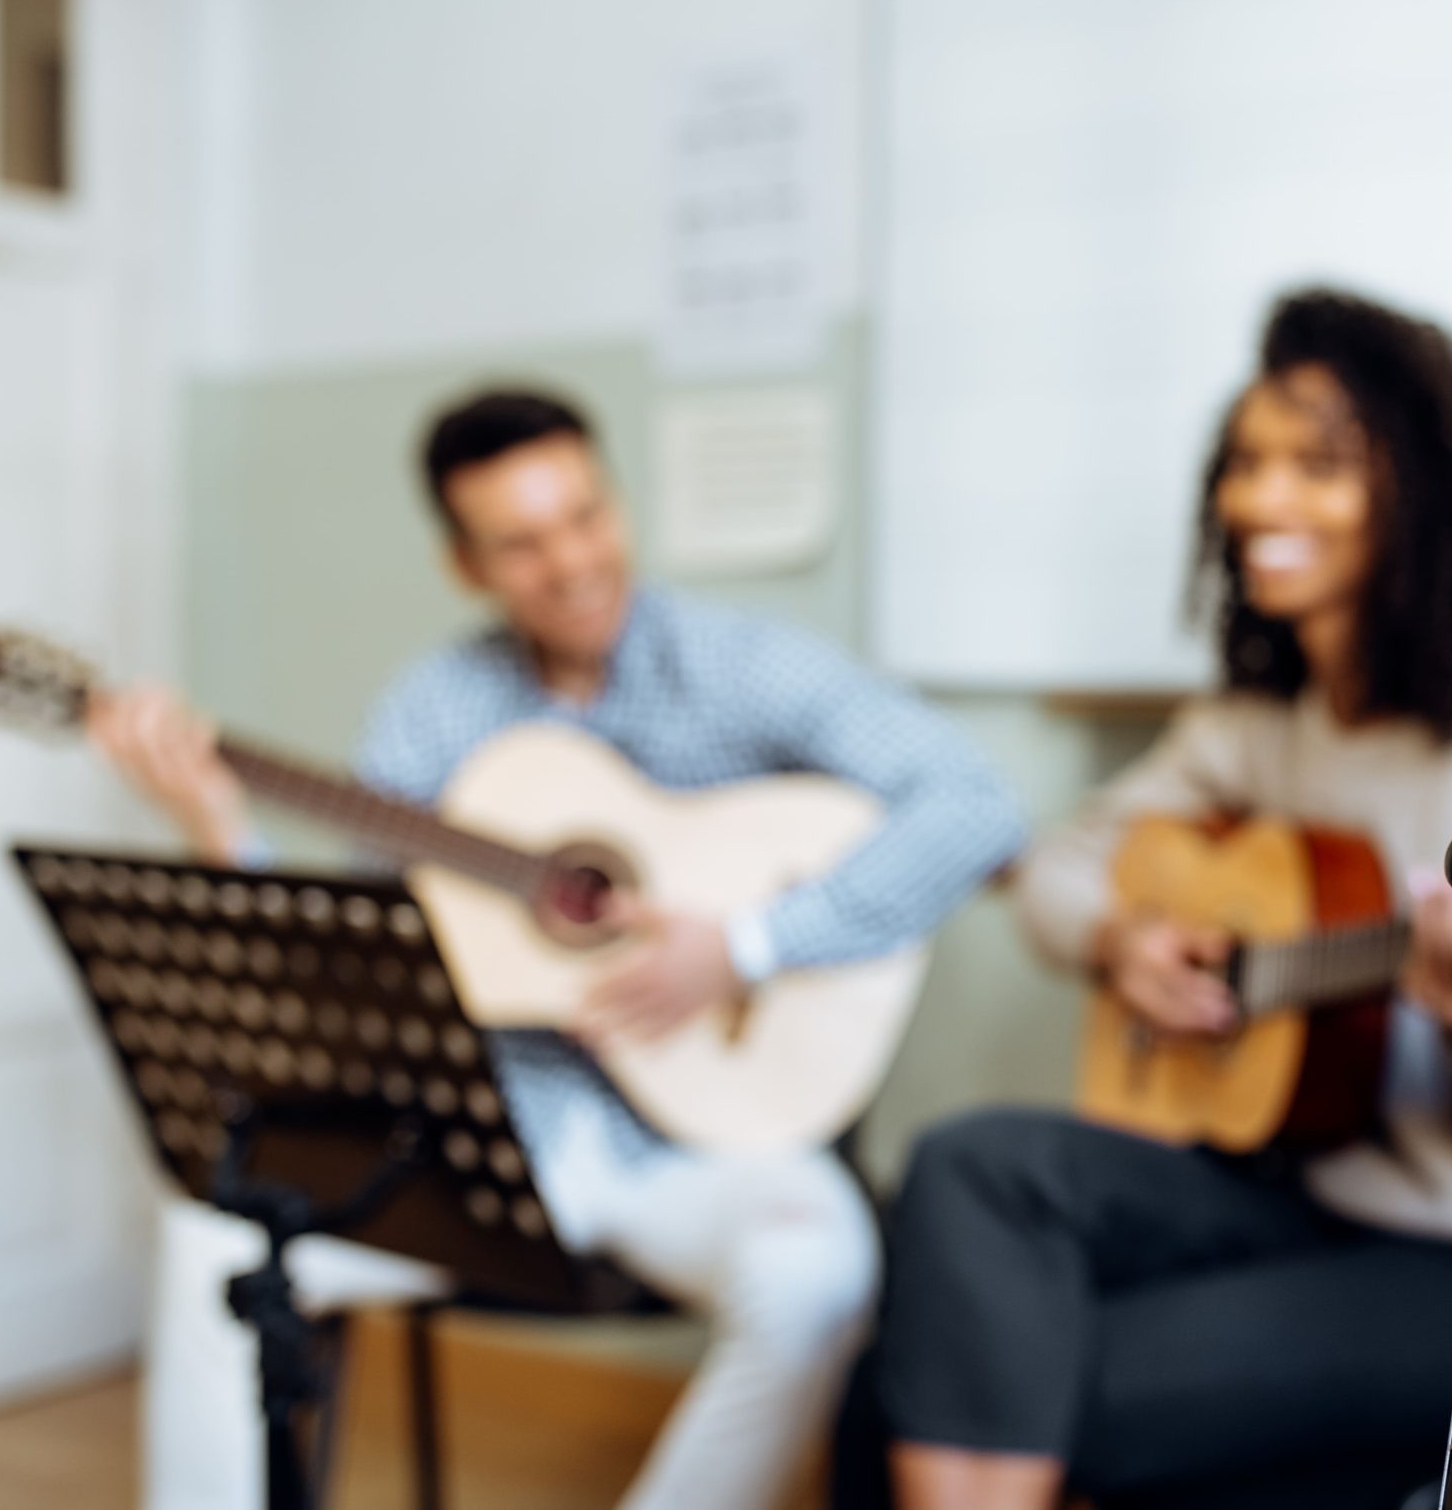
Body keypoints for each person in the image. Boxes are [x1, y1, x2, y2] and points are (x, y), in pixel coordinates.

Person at [91, 388, 1026, 1510]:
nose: (572, 562)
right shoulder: (435, 708)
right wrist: (215, 825)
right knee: (213, 1230)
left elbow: (975, 804)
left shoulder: (738, 663)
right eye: (521, 543)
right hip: (490, 1149)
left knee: (821, 1270)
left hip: (699, 1142)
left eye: (586, 516)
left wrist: (746, 943)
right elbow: (346, 965)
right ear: (465, 566)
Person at [846, 288, 1452, 1510]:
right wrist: (1124, 939)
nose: (1256, 500)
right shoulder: (1250, 730)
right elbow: (1059, 869)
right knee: (966, 1162)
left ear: (1427, 497)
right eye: (1244, 463)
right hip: (1293, 1184)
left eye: (1316, 466)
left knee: (964, 1380)